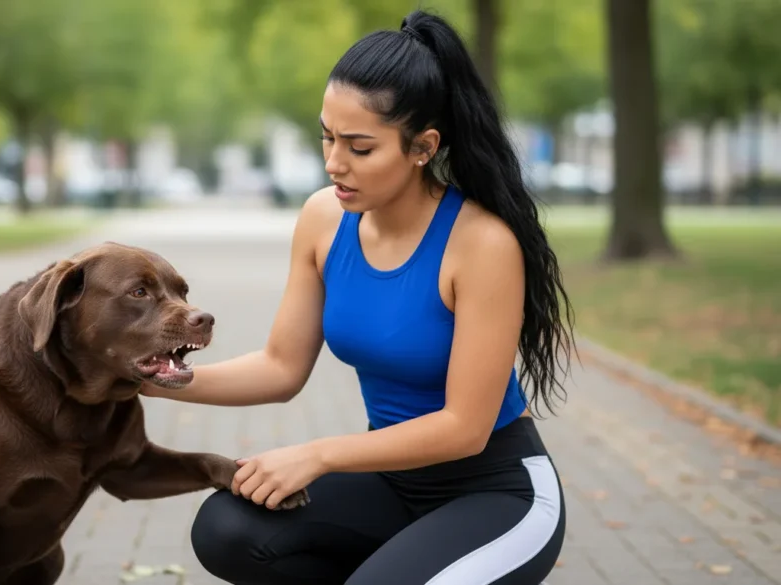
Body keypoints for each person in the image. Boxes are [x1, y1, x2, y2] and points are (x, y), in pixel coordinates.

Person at [140, 9, 575, 585]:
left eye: (360, 147)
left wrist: (318, 454)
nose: (333, 162)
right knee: (228, 529)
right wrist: (148, 379)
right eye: (327, 136)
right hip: (393, 484)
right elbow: (280, 367)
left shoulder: (481, 244)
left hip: (497, 494)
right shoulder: (324, 220)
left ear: (423, 147)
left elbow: (464, 427)